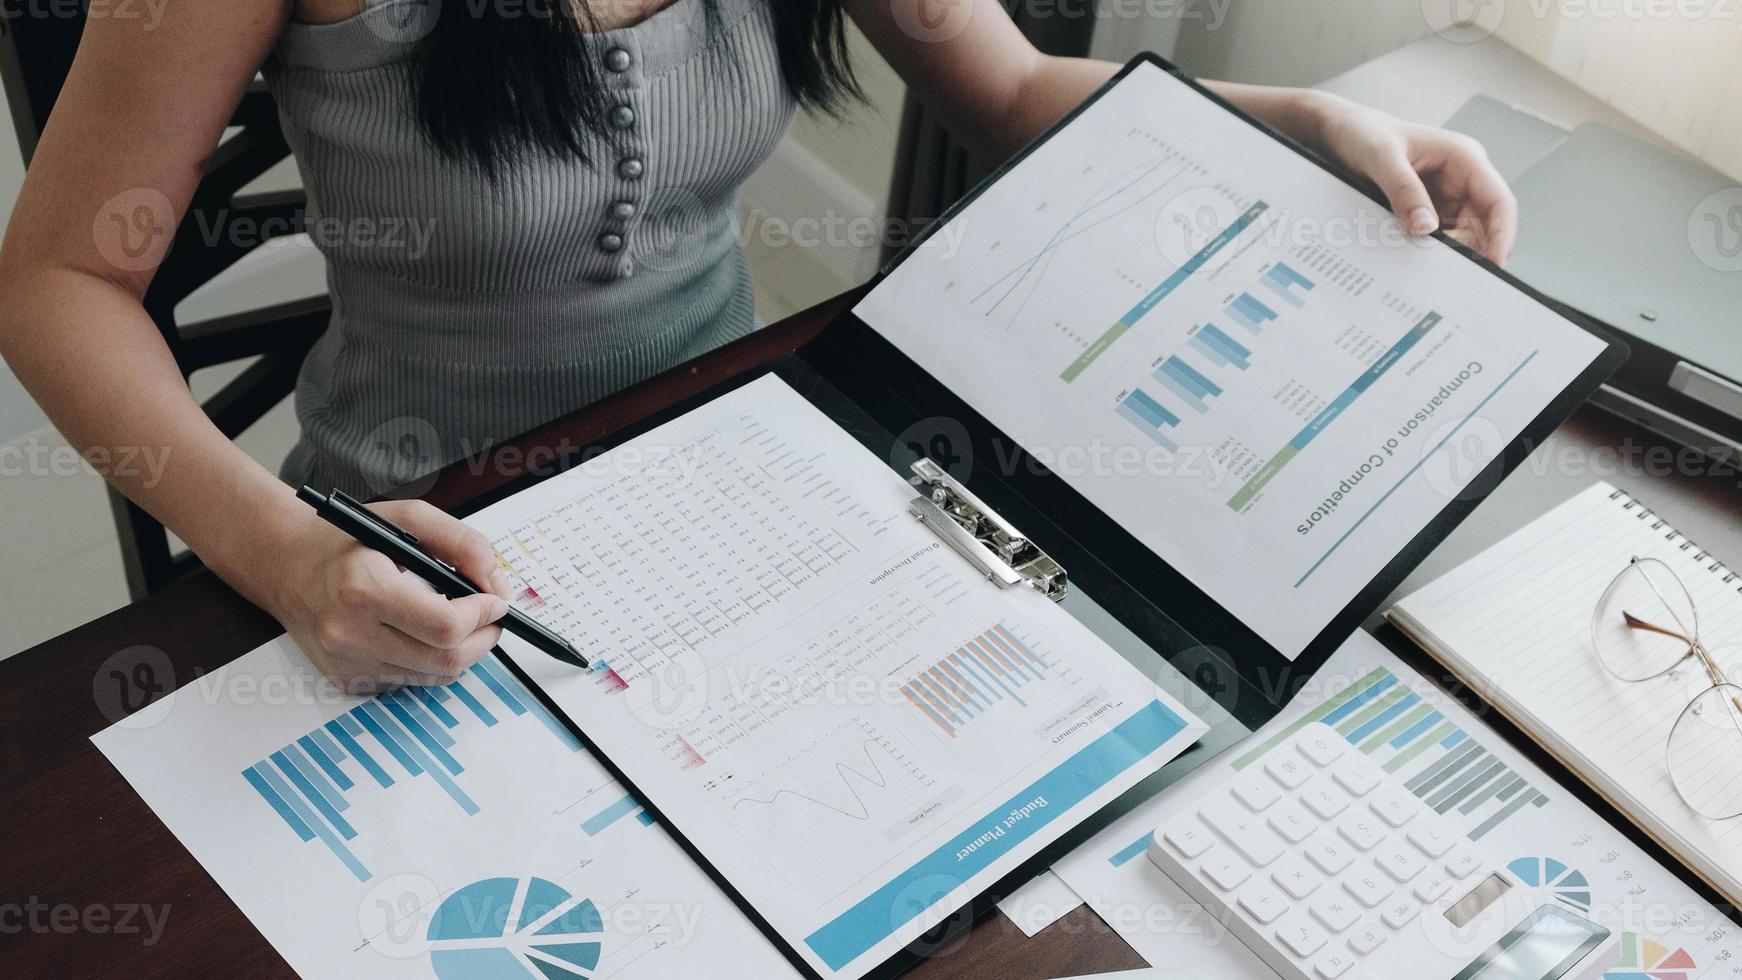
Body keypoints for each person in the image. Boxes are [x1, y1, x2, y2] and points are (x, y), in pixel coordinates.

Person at [0, 0, 1516, 690]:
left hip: (753, 479)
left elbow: (1008, 91)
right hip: (425, 529)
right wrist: (286, 558)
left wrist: (1300, 125)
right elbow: (59, 276)